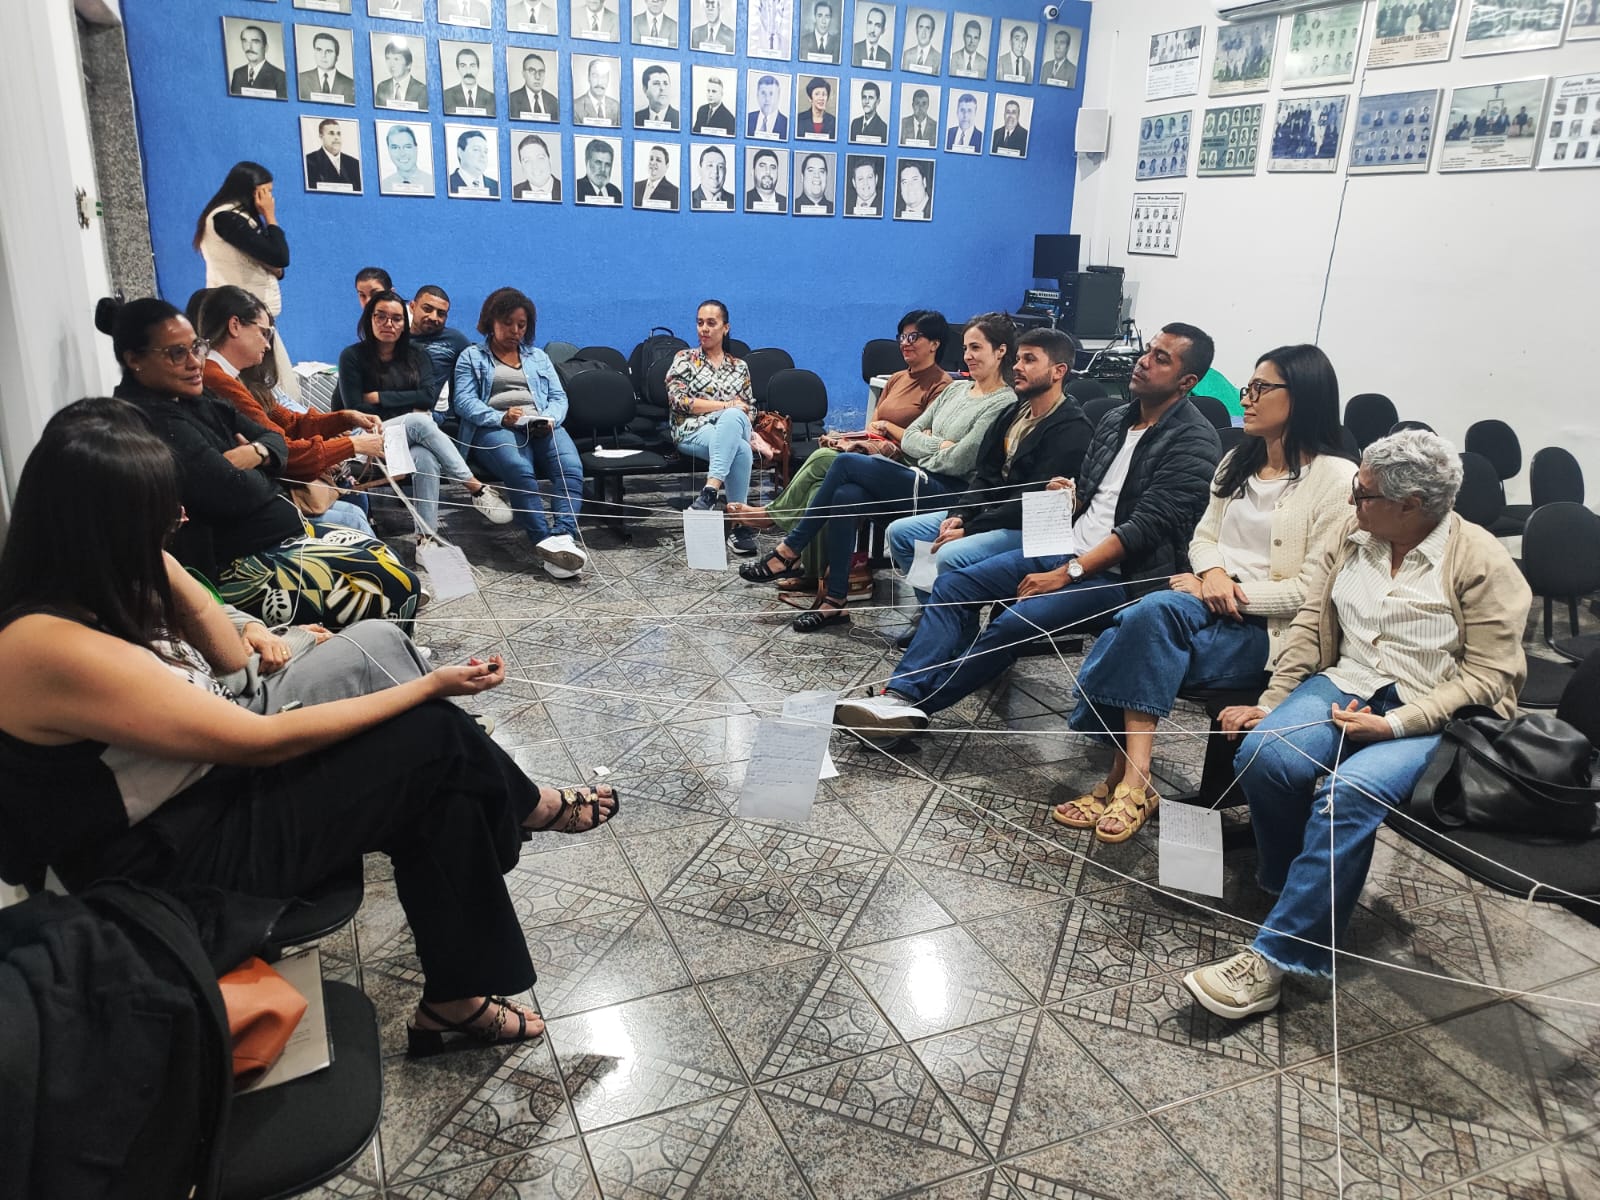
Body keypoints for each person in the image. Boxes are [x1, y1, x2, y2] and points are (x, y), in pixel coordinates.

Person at [0, 397, 620, 1059]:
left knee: (437, 771)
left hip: (206, 802)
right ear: (102, 525)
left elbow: (231, 660)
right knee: (433, 739)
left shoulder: (101, 587)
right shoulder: (47, 647)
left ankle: (457, 997)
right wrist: (427, 686)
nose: (180, 517)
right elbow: (257, 741)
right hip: (164, 868)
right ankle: (523, 815)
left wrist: (162, 563)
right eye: (160, 510)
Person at [1183, 431, 1530, 1020]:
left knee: (1347, 794)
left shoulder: (1481, 561)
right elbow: (1310, 623)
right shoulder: (1354, 535)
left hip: (1436, 709)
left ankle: (1278, 958)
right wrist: (1273, 701)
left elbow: (1489, 677)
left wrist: (1395, 725)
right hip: (1351, 678)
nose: (1352, 502)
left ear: (1411, 505)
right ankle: (1293, 892)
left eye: (1363, 494)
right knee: (1264, 753)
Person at [837, 324, 1222, 738]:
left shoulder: (1194, 441)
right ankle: (900, 694)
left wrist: (1067, 573)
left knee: (1013, 624)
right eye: (1148, 351)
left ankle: (912, 708)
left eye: (1161, 359)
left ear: (1187, 381)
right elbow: (1090, 493)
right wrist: (1070, 496)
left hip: (1122, 576)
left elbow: (1143, 529)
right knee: (954, 585)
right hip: (1066, 547)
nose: (1143, 361)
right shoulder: (1116, 420)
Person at [1054, 344, 1351, 845]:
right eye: (1248, 387)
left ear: (1303, 396)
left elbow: (1312, 591)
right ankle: (1135, 782)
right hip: (1204, 605)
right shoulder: (1238, 460)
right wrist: (1211, 573)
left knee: (1134, 626)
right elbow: (1203, 536)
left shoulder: (1336, 480)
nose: (1247, 399)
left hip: (1273, 631)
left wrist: (1229, 591)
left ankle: (1123, 779)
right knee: (1151, 617)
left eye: (1261, 389)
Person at [101, 298, 422, 629]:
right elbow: (237, 490)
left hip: (270, 535)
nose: (195, 361)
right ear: (134, 359)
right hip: (234, 564)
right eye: (177, 353)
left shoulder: (195, 395)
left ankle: (379, 648)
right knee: (397, 584)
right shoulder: (154, 418)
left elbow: (275, 438)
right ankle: (378, 652)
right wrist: (270, 463)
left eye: (195, 347)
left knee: (384, 557)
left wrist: (257, 454)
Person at [740, 314, 1020, 632]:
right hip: (918, 475)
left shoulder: (1003, 402)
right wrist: (937, 444)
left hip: (950, 492)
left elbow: (959, 461)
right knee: (847, 494)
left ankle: (790, 549)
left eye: (976, 348)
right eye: (966, 347)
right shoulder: (955, 390)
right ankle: (835, 600)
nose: (968, 355)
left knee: (844, 462)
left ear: (1000, 351)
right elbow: (911, 435)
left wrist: (926, 444)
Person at [728, 309, 956, 600]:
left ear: (935, 343)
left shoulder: (941, 386)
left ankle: (773, 517)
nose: (904, 343)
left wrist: (886, 430)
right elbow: (873, 427)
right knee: (825, 488)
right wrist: (859, 437)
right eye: (902, 336)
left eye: (914, 337)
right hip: (875, 455)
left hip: (904, 465)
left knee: (823, 459)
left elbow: (921, 441)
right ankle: (812, 574)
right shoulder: (896, 379)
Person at [885, 328, 1092, 619]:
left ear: (1058, 371)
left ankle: (955, 631)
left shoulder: (1072, 429)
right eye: (1018, 359)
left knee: (950, 555)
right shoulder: (1014, 412)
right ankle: (936, 619)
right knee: (900, 533)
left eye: (1029, 360)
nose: (1017, 367)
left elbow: (1031, 502)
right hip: (990, 513)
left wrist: (970, 529)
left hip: (1026, 527)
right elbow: (985, 473)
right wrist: (961, 514)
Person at [335, 289, 513, 547]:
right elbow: (356, 407)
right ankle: (476, 488)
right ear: (369, 318)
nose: (388, 323)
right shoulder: (352, 356)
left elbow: (427, 398)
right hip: (368, 436)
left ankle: (426, 539)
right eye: (381, 316)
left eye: (396, 319)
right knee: (419, 421)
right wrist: (407, 402)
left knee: (425, 457)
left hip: (408, 436)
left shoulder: (417, 354)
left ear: (404, 322)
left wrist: (378, 397)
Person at [453, 288, 589, 578]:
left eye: (522, 325)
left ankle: (563, 537)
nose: (515, 331)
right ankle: (543, 541)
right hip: (495, 426)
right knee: (519, 469)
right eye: (508, 323)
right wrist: (501, 417)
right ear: (490, 321)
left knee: (571, 467)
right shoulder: (471, 357)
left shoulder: (538, 357)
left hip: (541, 424)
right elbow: (464, 402)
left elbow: (558, 397)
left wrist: (550, 418)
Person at [193, 162, 297, 398]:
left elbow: (277, 265)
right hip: (240, 314)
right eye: (265, 192)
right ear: (251, 191)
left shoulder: (239, 219)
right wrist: (270, 216)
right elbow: (279, 256)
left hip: (254, 316)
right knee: (263, 387)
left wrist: (274, 265)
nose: (269, 199)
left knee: (275, 387)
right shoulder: (225, 218)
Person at [666, 301, 758, 553]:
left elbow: (750, 408)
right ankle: (738, 523)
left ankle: (709, 492)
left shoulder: (739, 367)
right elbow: (678, 401)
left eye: (711, 323)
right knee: (740, 446)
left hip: (732, 428)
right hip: (692, 430)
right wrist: (726, 405)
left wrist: (734, 411)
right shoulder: (684, 359)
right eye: (700, 323)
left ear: (725, 328)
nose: (704, 329)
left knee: (734, 424)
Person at [410, 285, 471, 407]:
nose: (434, 317)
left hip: (432, 412)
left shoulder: (455, 340)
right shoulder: (395, 337)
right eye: (427, 309)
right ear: (412, 307)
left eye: (441, 314)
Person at [230, 24, 287, 98]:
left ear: (265, 47)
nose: (249, 47)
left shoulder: (280, 76)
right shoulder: (237, 73)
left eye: (255, 42)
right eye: (245, 41)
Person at [297, 30, 355, 103]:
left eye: (329, 51)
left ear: (337, 56)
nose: (323, 55)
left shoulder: (351, 85)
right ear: (314, 53)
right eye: (319, 50)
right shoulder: (300, 80)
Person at [305, 119, 361, 191]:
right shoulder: (309, 161)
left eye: (338, 134)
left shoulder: (354, 163)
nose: (336, 137)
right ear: (321, 136)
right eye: (331, 133)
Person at [375, 38, 428, 109]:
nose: (391, 64)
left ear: (409, 64)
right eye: (388, 58)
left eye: (396, 59)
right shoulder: (382, 87)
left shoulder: (422, 90)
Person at [442, 46, 496, 115]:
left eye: (472, 65)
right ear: (458, 69)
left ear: (478, 68)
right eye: (463, 66)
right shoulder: (446, 96)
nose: (468, 71)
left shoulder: (491, 98)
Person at [380, 124, 433, 193]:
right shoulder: (384, 185)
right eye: (395, 147)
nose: (402, 154)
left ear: (416, 148)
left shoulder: (432, 183)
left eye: (407, 147)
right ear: (389, 150)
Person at [448, 129, 499, 198]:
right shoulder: (448, 183)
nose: (483, 155)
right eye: (476, 150)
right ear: (460, 152)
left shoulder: (496, 186)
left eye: (485, 151)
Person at [508, 53, 559, 120]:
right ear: (523, 74)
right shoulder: (511, 100)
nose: (537, 77)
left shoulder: (553, 102)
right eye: (532, 71)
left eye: (541, 71)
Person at [514, 134, 563, 201]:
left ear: (549, 160)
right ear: (522, 166)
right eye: (527, 161)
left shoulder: (565, 189)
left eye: (540, 158)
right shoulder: (514, 193)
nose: (535, 166)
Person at [576, 58, 621, 125]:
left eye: (603, 76)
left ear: (608, 80)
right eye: (595, 76)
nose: (599, 82)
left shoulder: (616, 107)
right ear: (588, 78)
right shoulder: (576, 107)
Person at [634, 64, 681, 129]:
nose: (662, 88)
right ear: (645, 89)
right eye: (656, 83)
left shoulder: (679, 118)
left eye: (665, 83)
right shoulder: (636, 118)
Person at [576, 139, 622, 203]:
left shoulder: (616, 193)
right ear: (587, 162)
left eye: (607, 164)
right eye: (598, 163)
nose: (603, 169)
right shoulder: (576, 189)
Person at [744, 148, 787, 212]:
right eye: (762, 166)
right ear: (753, 172)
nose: (768, 172)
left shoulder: (786, 203)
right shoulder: (745, 200)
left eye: (773, 167)